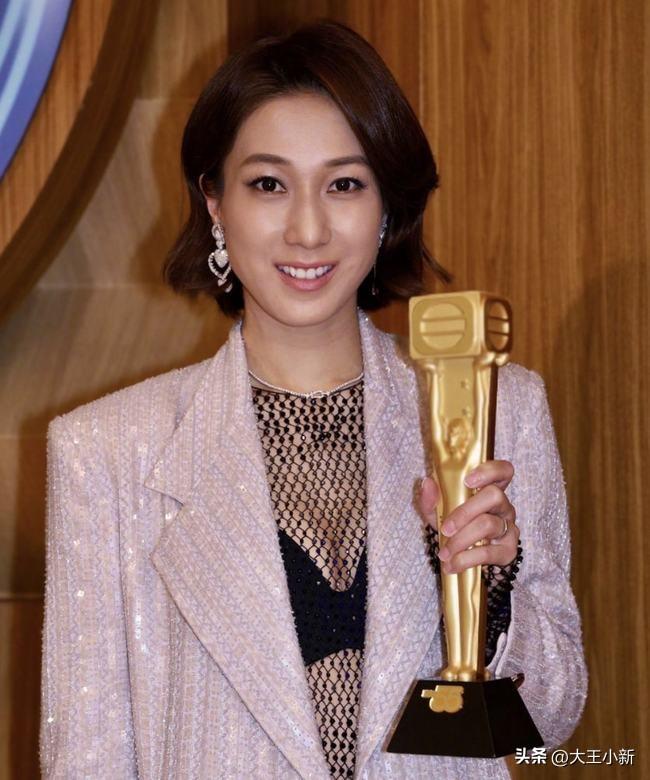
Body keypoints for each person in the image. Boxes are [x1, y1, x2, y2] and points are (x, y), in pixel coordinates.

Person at [40, 19, 587, 779]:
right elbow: (87, 758)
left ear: (387, 206)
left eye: (344, 184)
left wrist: (493, 595)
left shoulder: (502, 407)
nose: (307, 229)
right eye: (268, 184)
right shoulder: (105, 452)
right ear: (213, 202)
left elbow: (551, 722)